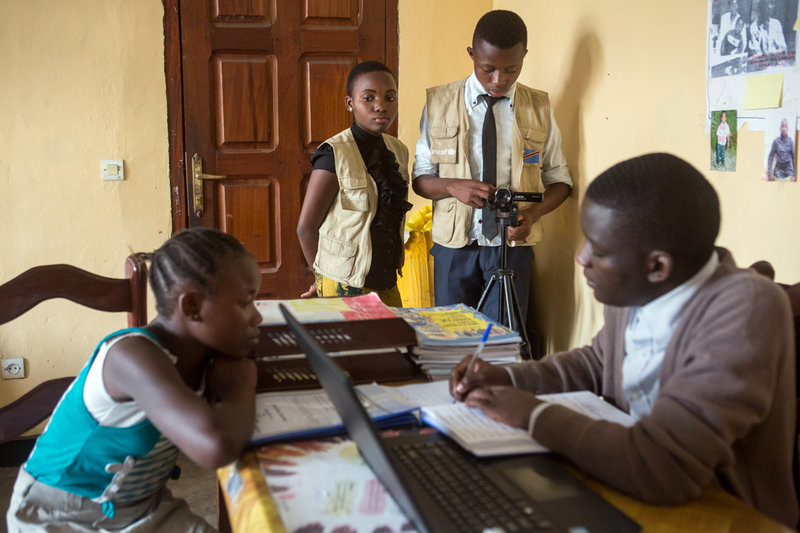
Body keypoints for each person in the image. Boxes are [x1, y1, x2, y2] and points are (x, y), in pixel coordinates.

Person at [450, 153, 798, 529]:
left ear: (657, 266)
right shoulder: (638, 290)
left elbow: (665, 466)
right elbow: (598, 363)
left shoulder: (745, 311)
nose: (582, 257)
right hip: (627, 482)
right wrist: (510, 379)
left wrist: (533, 414)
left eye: (599, 250)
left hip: (723, 514)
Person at [6, 228, 261, 532]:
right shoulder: (132, 357)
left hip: (143, 507)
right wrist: (240, 385)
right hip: (60, 515)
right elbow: (215, 448)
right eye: (245, 304)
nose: (257, 317)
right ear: (191, 307)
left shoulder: (203, 348)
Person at [412, 10, 572, 324]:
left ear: (524, 56)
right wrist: (451, 187)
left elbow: (560, 181)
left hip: (511, 247)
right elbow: (420, 179)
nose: (499, 80)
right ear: (471, 55)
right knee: (450, 338)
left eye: (511, 69)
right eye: (488, 69)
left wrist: (533, 215)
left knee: (502, 343)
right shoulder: (439, 104)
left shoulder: (538, 108)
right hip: (455, 247)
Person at [297, 61, 411, 306]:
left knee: (393, 343)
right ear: (351, 103)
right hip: (344, 284)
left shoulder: (398, 151)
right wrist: (321, 277)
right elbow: (306, 228)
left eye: (390, 98)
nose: (380, 106)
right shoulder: (333, 154)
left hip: (387, 280)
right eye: (368, 98)